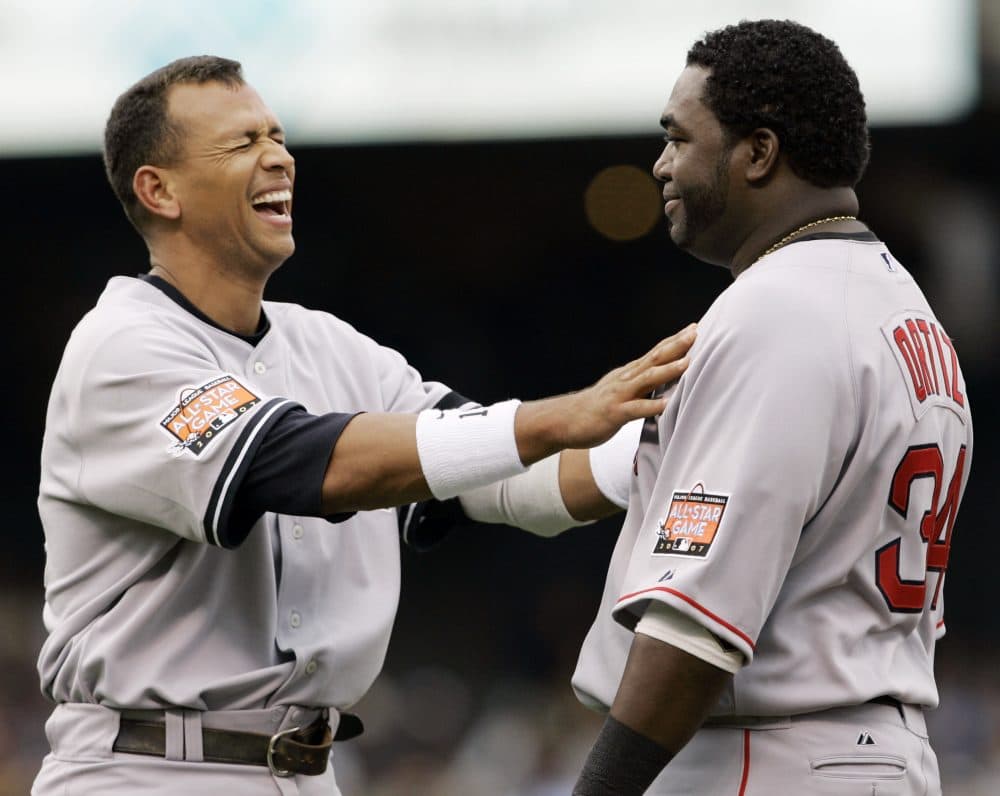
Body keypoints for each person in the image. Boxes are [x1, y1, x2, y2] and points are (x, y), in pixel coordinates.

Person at [31, 55, 696, 795]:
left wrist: (663, 446)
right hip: (147, 769)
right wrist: (557, 417)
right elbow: (309, 465)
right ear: (160, 190)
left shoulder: (328, 344)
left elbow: (504, 481)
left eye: (277, 136)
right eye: (241, 142)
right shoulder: (121, 343)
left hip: (310, 770)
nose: (278, 156)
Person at [564, 19, 974, 795]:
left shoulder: (777, 310)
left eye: (679, 138)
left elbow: (692, 633)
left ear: (757, 153)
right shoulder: (905, 308)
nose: (659, 165)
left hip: (771, 754)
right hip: (881, 750)